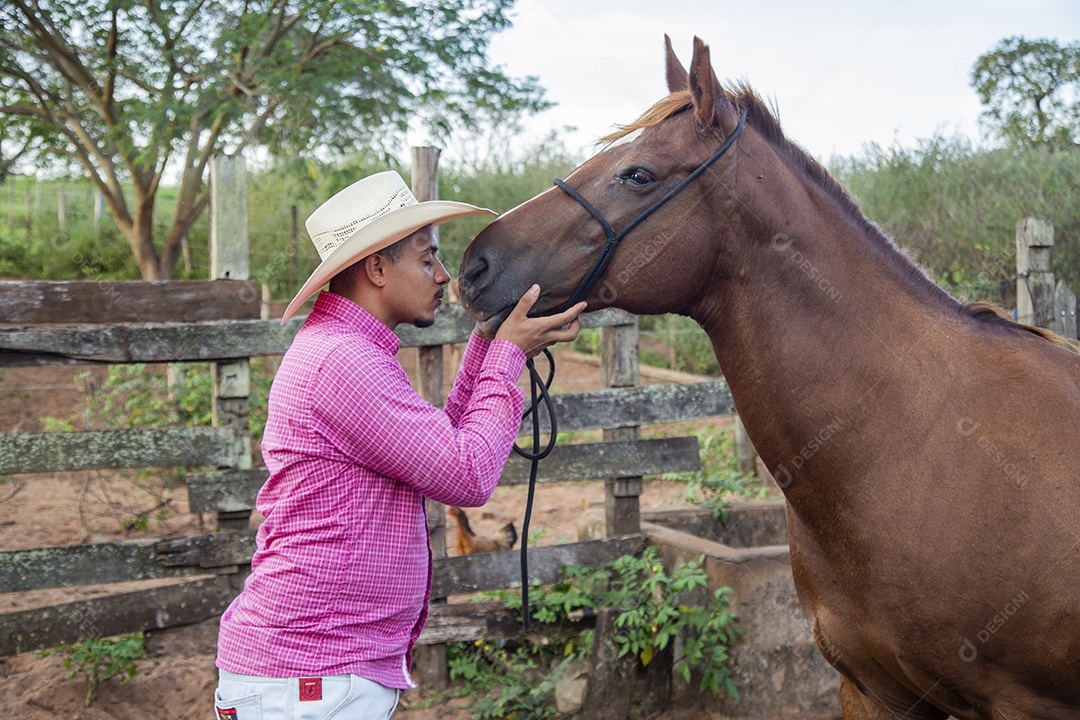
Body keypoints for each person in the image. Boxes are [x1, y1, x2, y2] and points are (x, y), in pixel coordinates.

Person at [213, 171, 586, 720]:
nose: (441, 274)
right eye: (426, 257)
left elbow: (438, 450)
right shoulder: (344, 361)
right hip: (308, 680)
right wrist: (508, 357)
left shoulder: (346, 351)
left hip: (313, 677)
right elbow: (466, 475)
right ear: (377, 268)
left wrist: (487, 346)